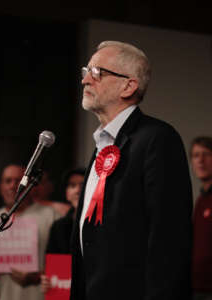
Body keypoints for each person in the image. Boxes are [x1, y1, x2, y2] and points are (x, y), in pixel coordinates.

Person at [70, 41, 193, 300]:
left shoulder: (158, 140)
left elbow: (168, 239)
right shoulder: (102, 146)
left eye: (97, 72)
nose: (85, 81)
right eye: (86, 71)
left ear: (129, 86)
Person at [0, 164, 61, 300]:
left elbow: (64, 265)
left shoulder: (52, 216)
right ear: (1, 187)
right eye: (7, 181)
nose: (13, 186)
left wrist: (38, 277)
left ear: (31, 185)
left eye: (19, 180)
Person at [40, 168, 85, 293]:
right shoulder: (58, 227)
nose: (78, 190)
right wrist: (47, 280)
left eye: (82, 184)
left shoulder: (101, 223)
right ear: (66, 194)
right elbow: (51, 264)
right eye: (72, 185)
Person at [190, 136, 212, 300]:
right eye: (196, 155)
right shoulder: (201, 200)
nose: (201, 161)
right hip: (197, 288)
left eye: (206, 154)